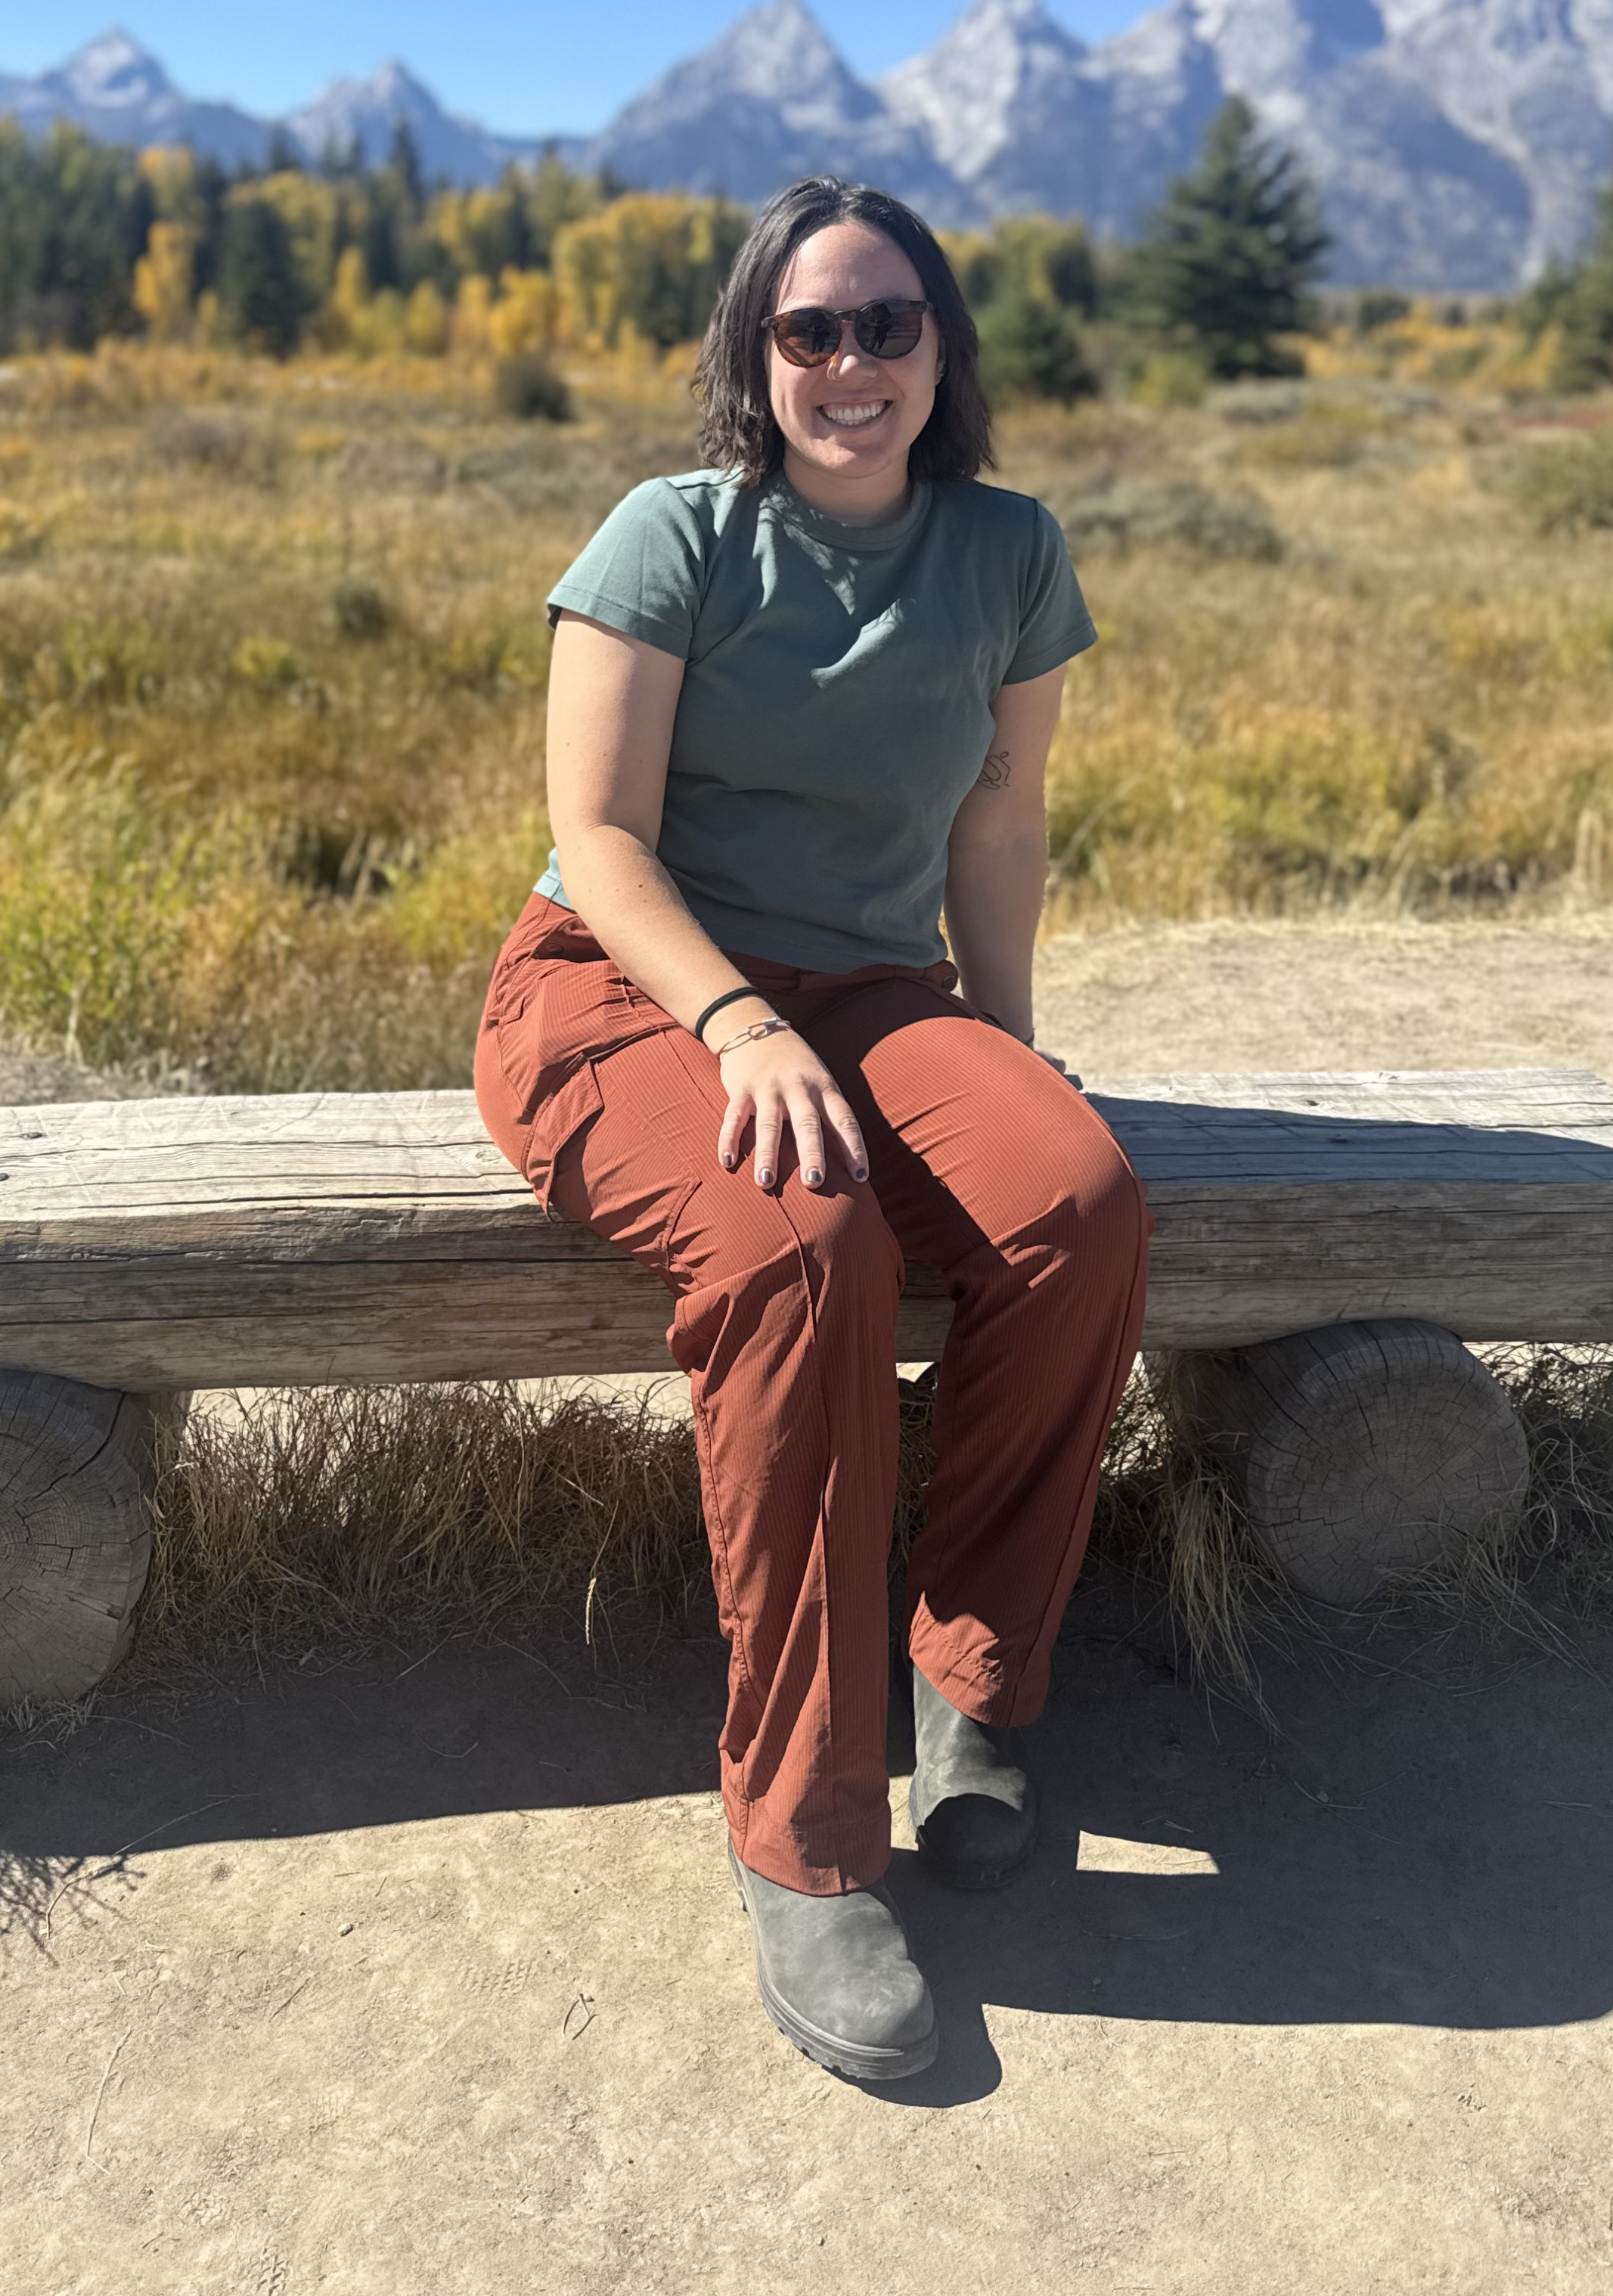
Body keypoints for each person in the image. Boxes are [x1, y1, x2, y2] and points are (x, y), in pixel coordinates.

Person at [473, 177, 1149, 2082]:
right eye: (810, 329)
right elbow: (602, 837)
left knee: (1080, 1200)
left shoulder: (1009, 550)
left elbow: (998, 821)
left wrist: (1008, 1057)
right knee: (803, 1245)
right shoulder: (673, 534)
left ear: (943, 347)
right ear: (755, 355)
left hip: (869, 988)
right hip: (623, 989)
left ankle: (970, 1683)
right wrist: (739, 1019)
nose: (852, 362)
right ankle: (807, 1834)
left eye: (888, 323)